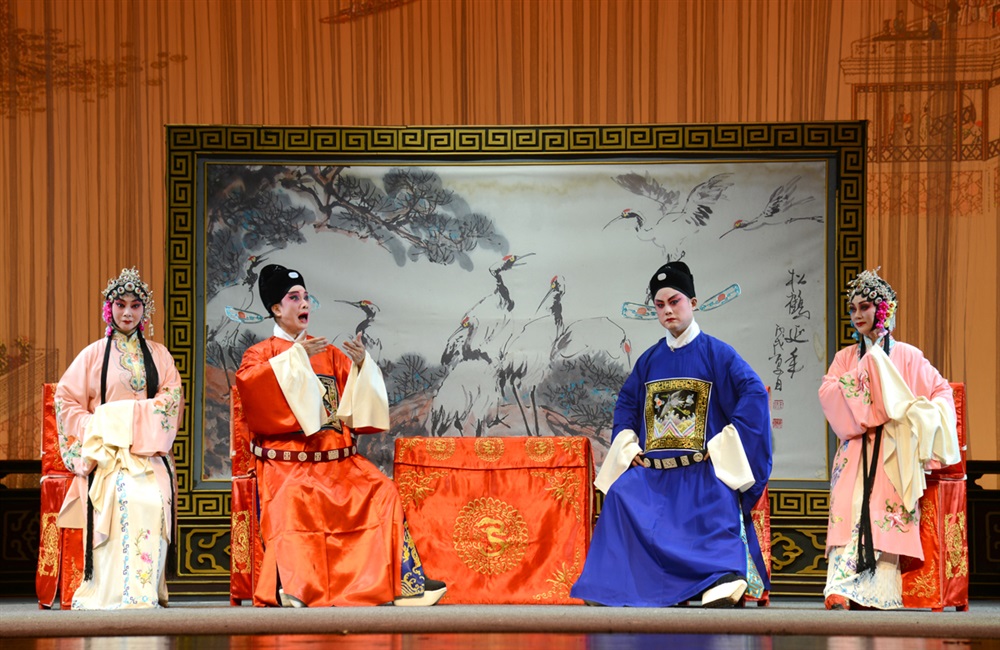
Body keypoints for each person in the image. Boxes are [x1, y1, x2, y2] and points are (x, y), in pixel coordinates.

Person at [235, 264, 446, 607]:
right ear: (276, 308)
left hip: (339, 464)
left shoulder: (330, 354)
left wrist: (362, 366)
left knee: (383, 491)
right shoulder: (261, 354)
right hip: (289, 466)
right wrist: (295, 358)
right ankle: (295, 586)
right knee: (292, 499)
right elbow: (252, 389)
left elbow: (355, 407)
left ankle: (403, 583)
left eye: (306, 297)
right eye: (294, 298)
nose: (304, 303)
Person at [570, 261, 772, 607]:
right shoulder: (649, 360)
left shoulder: (718, 354)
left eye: (674, 301)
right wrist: (628, 445)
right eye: (660, 305)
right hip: (655, 474)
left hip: (701, 470)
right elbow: (627, 404)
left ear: (692, 302)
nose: (667, 310)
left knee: (717, 499)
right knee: (621, 495)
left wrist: (722, 444)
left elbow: (753, 394)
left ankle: (721, 578)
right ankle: (617, 583)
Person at [819, 268, 959, 610]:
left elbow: (941, 392)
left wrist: (918, 413)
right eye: (852, 309)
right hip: (856, 447)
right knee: (852, 508)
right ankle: (840, 588)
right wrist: (868, 372)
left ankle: (877, 592)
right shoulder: (845, 358)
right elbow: (828, 393)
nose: (857, 315)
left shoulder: (908, 356)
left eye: (865, 306)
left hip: (894, 449)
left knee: (885, 513)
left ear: (884, 309)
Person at [54, 267, 184, 609]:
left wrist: (121, 416)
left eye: (135, 306)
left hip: (148, 452)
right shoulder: (93, 354)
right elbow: (65, 400)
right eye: (121, 305)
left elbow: (171, 399)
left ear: (144, 311)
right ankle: (112, 592)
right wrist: (100, 426)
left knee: (153, 501)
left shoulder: (159, 355)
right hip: (108, 455)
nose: (128, 313)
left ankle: (144, 591)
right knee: (124, 499)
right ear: (108, 309)